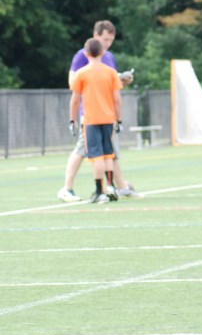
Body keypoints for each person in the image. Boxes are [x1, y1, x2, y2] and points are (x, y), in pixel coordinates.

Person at [57, 20, 142, 202]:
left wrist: (121, 80)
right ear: (96, 36)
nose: (108, 44)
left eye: (111, 40)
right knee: (85, 151)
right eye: (105, 40)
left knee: (109, 151)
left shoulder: (108, 56)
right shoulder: (82, 55)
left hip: (107, 113)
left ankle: (119, 187)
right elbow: (73, 83)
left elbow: (113, 87)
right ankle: (68, 188)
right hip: (89, 114)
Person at [68, 38, 123, 203]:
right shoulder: (111, 72)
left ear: (86, 54)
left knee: (96, 156)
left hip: (91, 120)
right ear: (102, 52)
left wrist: (72, 120)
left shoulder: (81, 73)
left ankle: (99, 191)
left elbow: (75, 100)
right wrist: (119, 120)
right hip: (108, 118)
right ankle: (111, 185)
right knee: (108, 154)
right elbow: (117, 99)